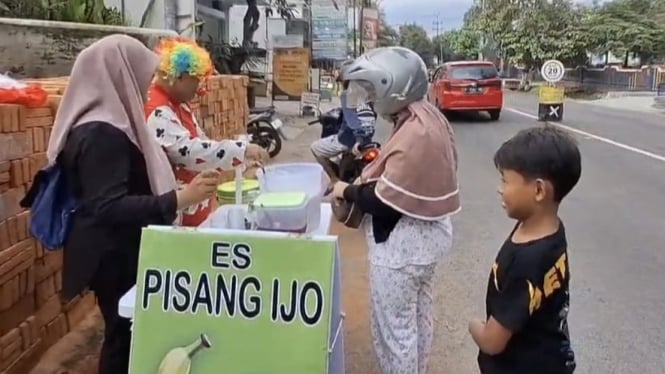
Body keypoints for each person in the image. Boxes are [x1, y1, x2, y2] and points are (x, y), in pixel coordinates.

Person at [43, 35, 220, 374]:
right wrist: (179, 198)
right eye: (141, 77)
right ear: (119, 75)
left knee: (126, 330)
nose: (146, 86)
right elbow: (107, 207)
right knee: (122, 336)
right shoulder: (101, 133)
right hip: (112, 255)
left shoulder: (106, 122)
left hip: (116, 249)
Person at [329, 47, 460, 373]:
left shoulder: (416, 132)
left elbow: (383, 201)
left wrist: (347, 189)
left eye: (373, 90)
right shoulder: (426, 117)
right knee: (418, 316)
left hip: (403, 249)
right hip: (428, 241)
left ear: (393, 86)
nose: (371, 99)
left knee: (395, 331)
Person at [469, 126, 580, 374]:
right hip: (550, 355)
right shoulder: (551, 229)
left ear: (539, 191)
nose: (500, 188)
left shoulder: (525, 261)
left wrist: (473, 325)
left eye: (505, 180)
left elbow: (492, 342)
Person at [145, 37, 268, 226]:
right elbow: (189, 151)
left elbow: (204, 143)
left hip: (193, 213)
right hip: (176, 217)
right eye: (197, 80)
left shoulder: (179, 106)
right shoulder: (156, 109)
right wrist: (241, 150)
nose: (200, 88)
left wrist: (240, 159)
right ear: (180, 76)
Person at [311, 65, 377, 183]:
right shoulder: (368, 93)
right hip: (369, 139)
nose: (341, 83)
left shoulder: (347, 94)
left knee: (315, 147)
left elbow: (353, 122)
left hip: (351, 140)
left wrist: (359, 139)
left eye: (342, 80)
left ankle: (334, 179)